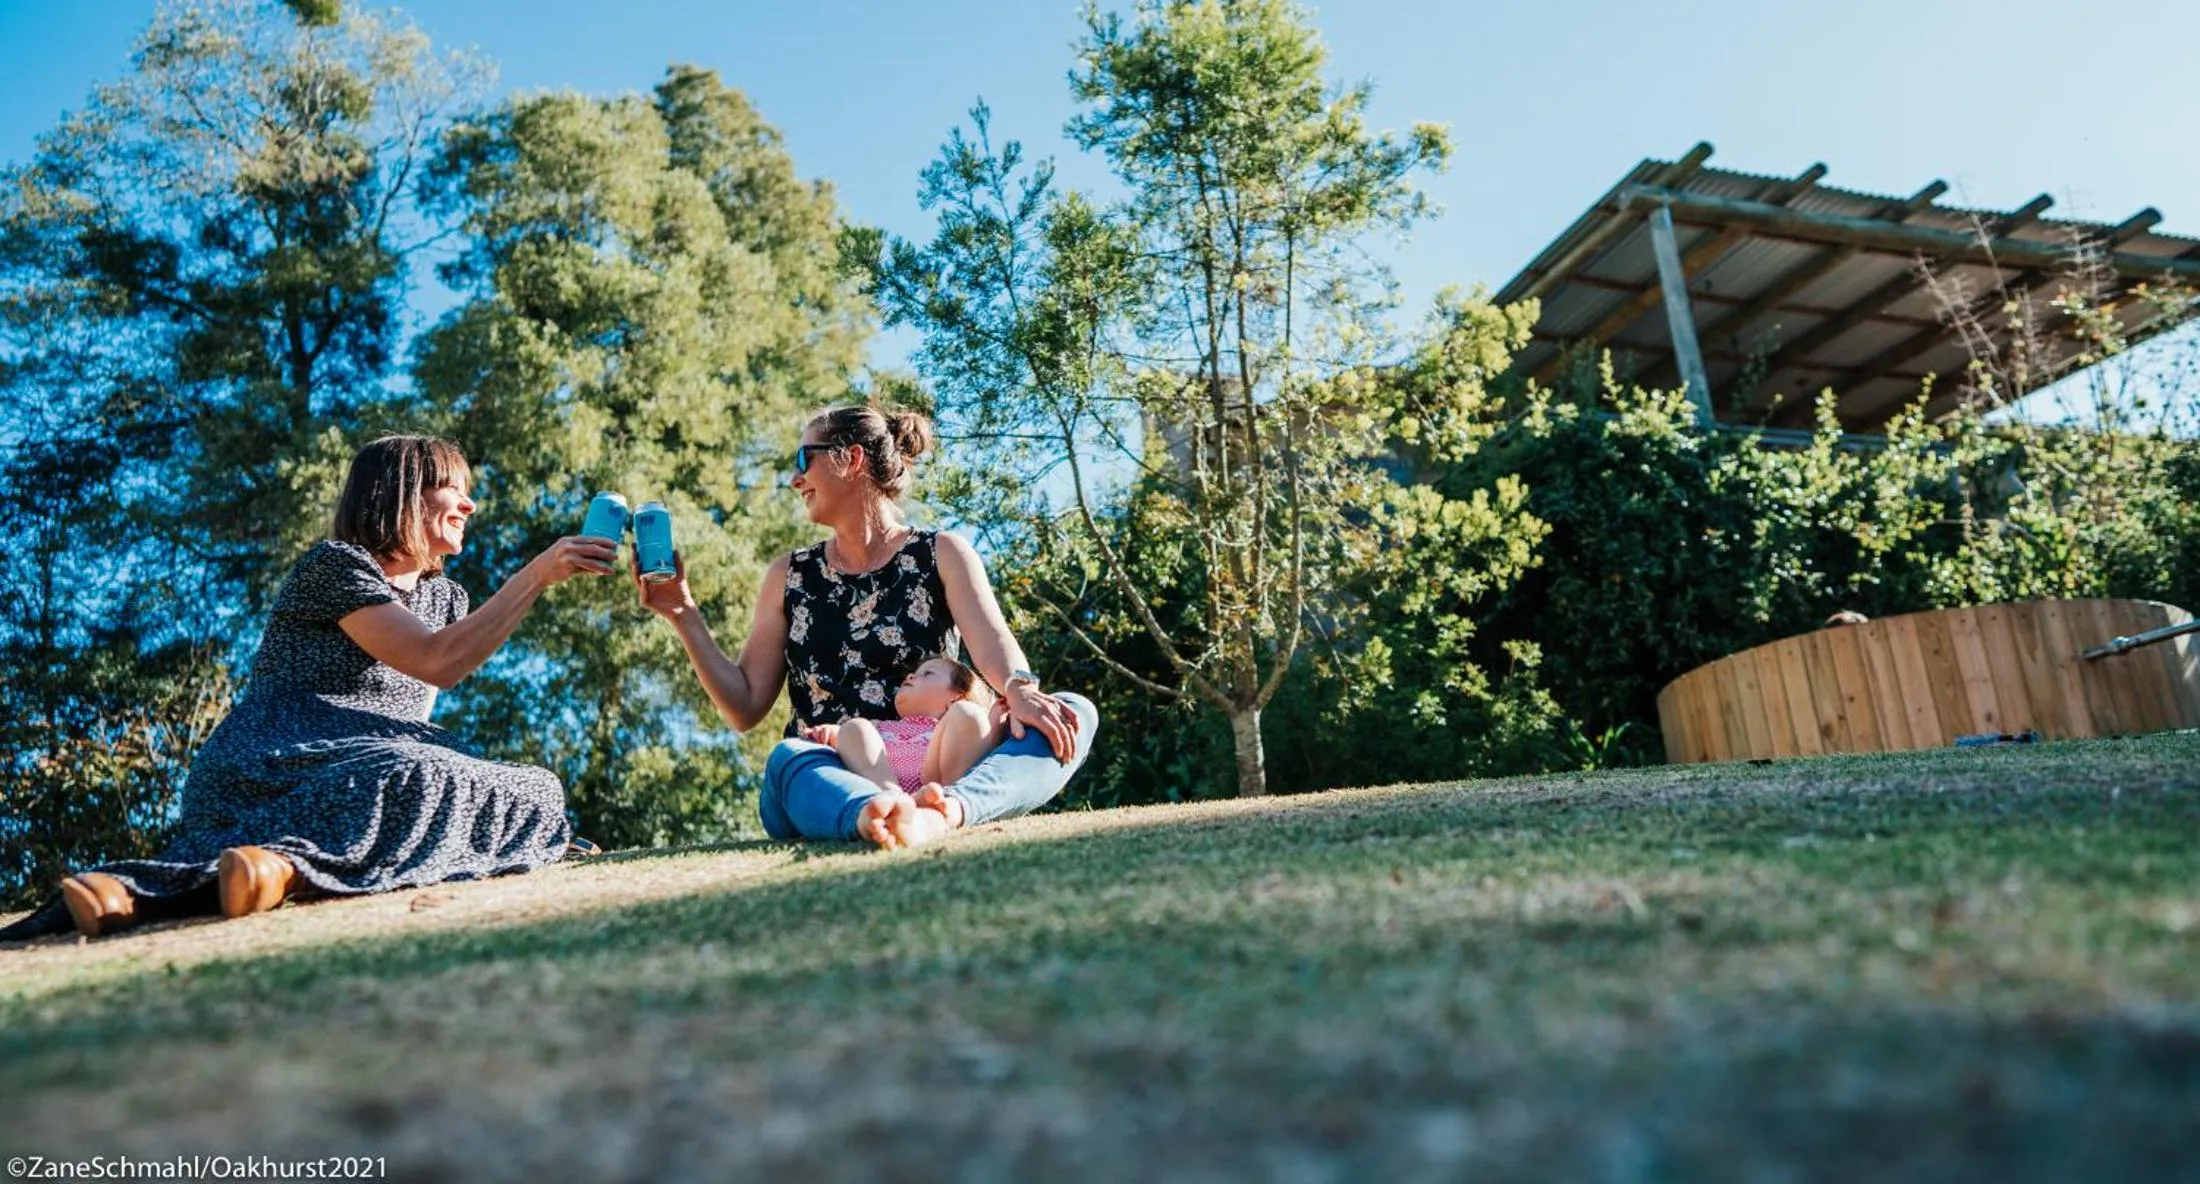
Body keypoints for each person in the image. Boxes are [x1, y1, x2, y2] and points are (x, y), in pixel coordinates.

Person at [4, 435, 617, 941]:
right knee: (414, 774)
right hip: (274, 759)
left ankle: (255, 873)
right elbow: (438, 661)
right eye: (451, 487)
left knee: (533, 786)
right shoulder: (337, 566)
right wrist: (539, 573)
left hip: (374, 757)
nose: (470, 504)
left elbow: (420, 705)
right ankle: (272, 870)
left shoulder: (445, 596)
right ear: (402, 491)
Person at [637, 404, 1097, 849]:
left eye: (804, 460)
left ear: (851, 458)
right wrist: (683, 613)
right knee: (788, 759)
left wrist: (1020, 689)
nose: (795, 479)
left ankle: (945, 813)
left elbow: (992, 641)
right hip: (827, 769)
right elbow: (745, 707)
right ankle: (876, 811)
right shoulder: (788, 575)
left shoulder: (942, 554)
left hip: (935, 764)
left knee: (1073, 710)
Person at [803, 655, 1005, 845]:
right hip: (882, 781)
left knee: (969, 714)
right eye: (913, 673)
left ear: (954, 698)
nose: (910, 676)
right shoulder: (879, 726)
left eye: (928, 673)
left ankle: (941, 804)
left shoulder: (950, 726)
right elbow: (855, 745)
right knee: (855, 727)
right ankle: (894, 798)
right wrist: (832, 732)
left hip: (932, 782)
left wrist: (994, 725)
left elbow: (977, 749)